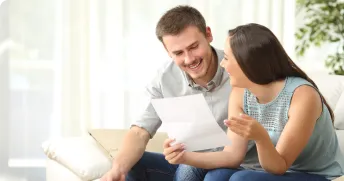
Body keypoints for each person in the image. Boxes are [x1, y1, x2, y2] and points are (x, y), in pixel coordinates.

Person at [163, 23, 344, 181]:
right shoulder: (240, 94)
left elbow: (279, 166)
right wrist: (183, 157)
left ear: (247, 62)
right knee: (215, 176)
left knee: (242, 178)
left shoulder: (302, 95)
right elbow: (231, 156)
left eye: (226, 58)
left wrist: (260, 137)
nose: (223, 64)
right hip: (276, 173)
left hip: (319, 175)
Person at [100, 5, 231, 181]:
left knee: (210, 174)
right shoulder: (165, 79)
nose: (189, 59)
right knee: (134, 164)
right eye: (178, 53)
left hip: (231, 163)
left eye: (193, 47)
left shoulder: (237, 68)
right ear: (167, 51)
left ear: (208, 34)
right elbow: (140, 132)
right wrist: (117, 170)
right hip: (188, 163)